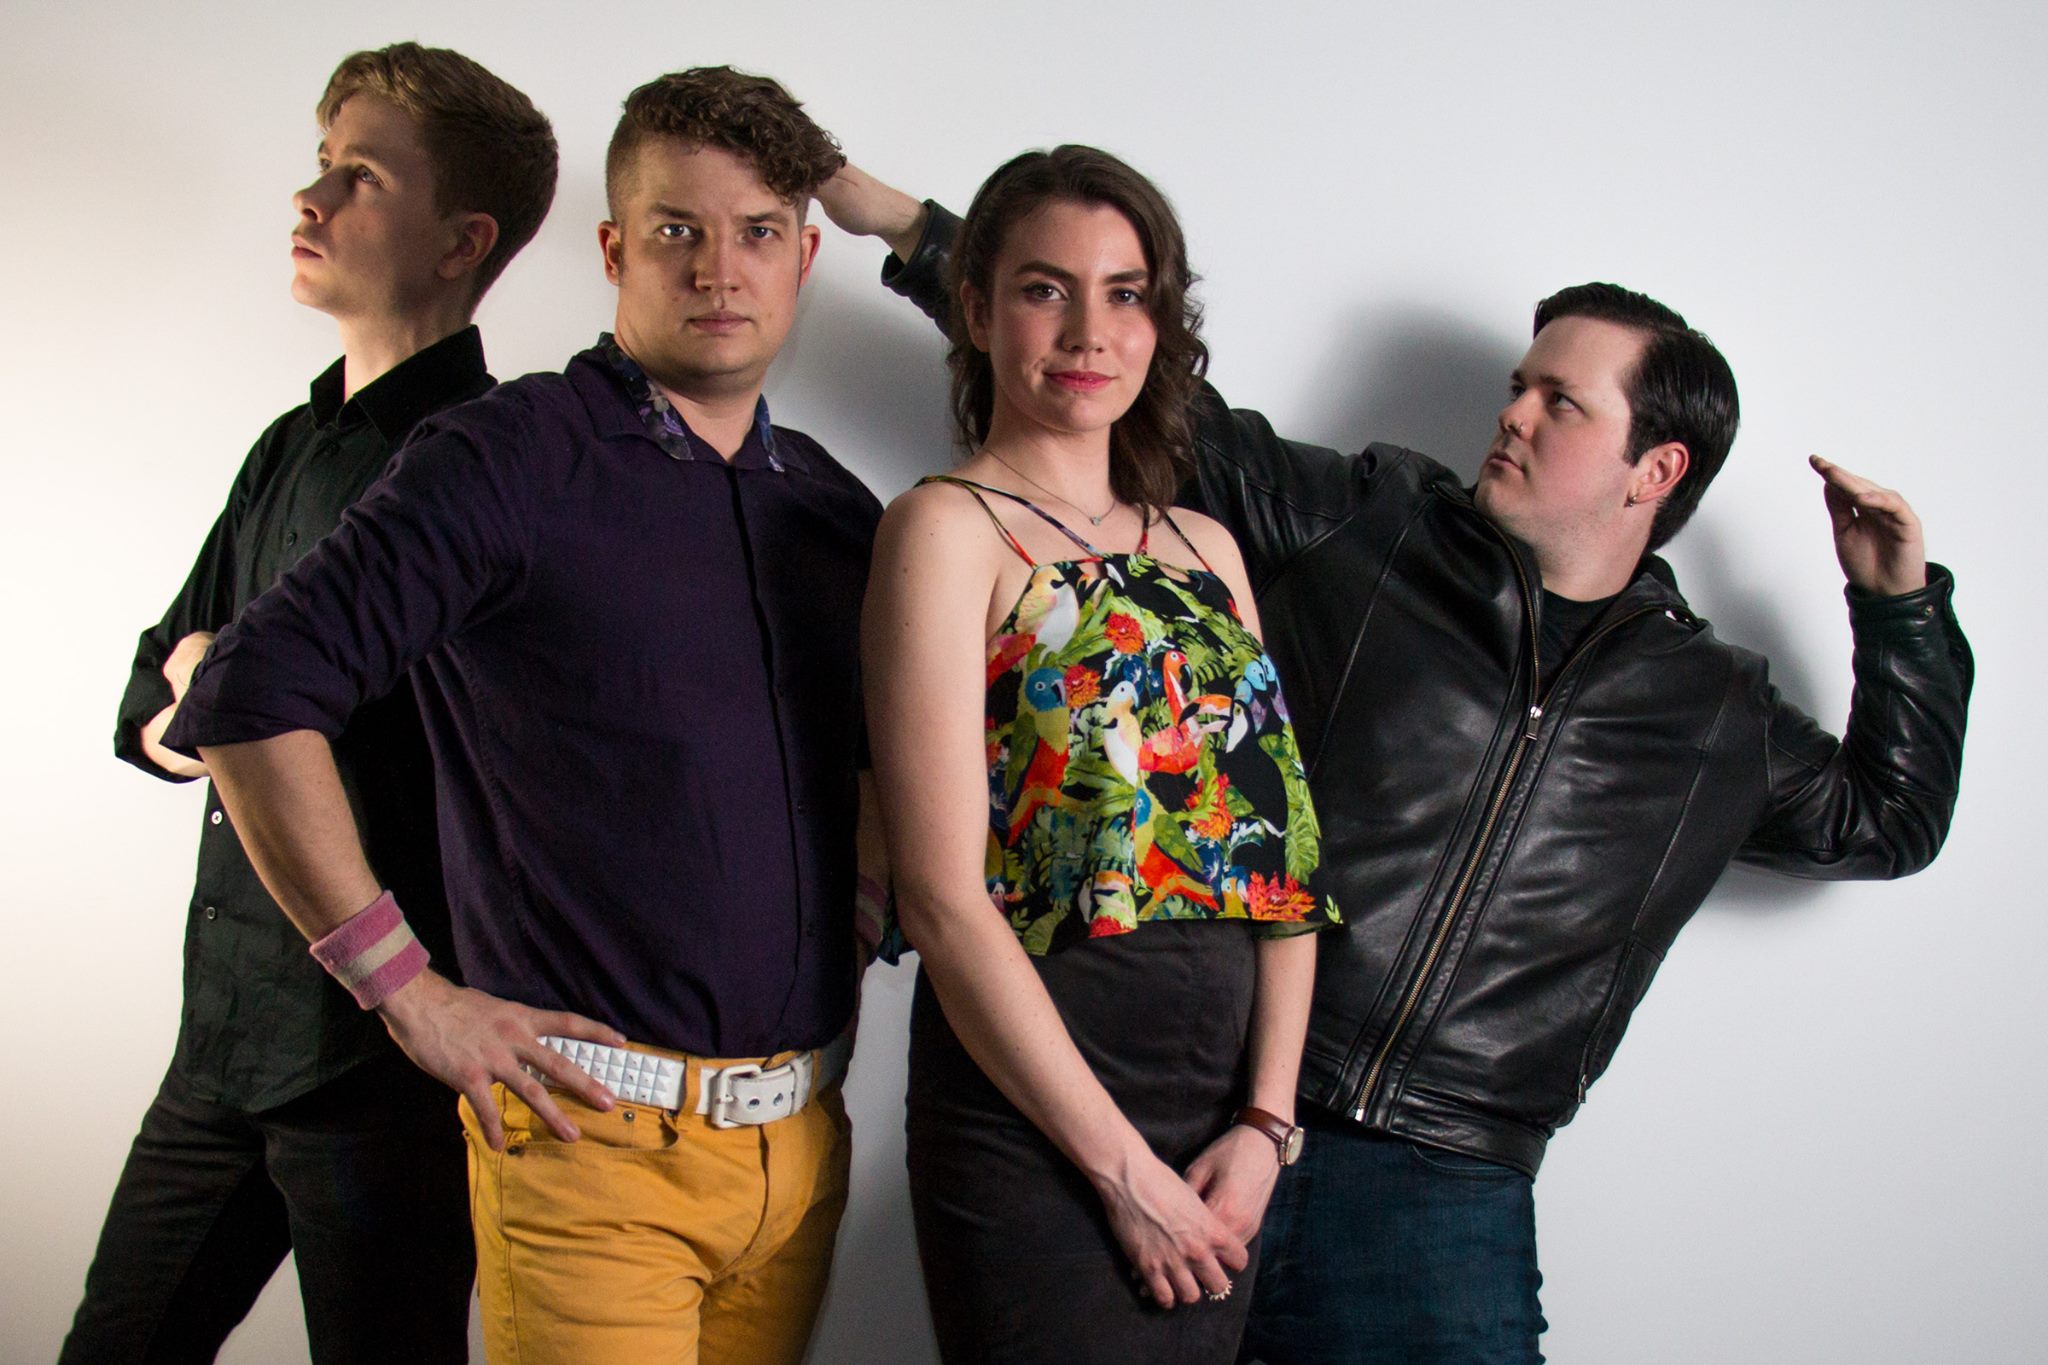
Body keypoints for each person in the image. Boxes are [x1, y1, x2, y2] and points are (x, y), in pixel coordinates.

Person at [822, 173, 1972, 1363]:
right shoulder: (1369, 524)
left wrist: (1899, 611)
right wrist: (914, 230)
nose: (1510, 416)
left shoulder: (1708, 707)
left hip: (1430, 1185)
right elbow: (1110, 377)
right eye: (1515, 385)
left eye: (1559, 403)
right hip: (1197, 1099)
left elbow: (1883, 821)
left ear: (1654, 471)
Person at [162, 67, 882, 1365]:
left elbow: (878, 753)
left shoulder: (830, 506)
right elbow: (252, 694)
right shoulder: (511, 456)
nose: (719, 268)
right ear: (614, 250)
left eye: (758, 232)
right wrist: (405, 991)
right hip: (589, 1147)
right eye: (677, 229)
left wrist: (872, 892)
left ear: (804, 257)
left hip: (799, 1147)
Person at [65, 43, 555, 1365]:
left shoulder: (496, 464)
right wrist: (208, 695)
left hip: (381, 1069)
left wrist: (217, 684)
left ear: (462, 241)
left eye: (361, 178)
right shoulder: (285, 448)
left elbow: (325, 722)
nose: (311, 198)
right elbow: (153, 697)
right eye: (322, 166)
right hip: (219, 1043)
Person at [862, 145, 1336, 1365]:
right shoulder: (944, 530)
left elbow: (1282, 873)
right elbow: (942, 901)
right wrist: (1122, 1175)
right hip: (1037, 1119)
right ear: (975, 311)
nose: (1087, 332)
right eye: (1043, 289)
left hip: (1221, 1122)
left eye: (1124, 294)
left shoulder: (1208, 548)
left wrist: (1265, 1127)